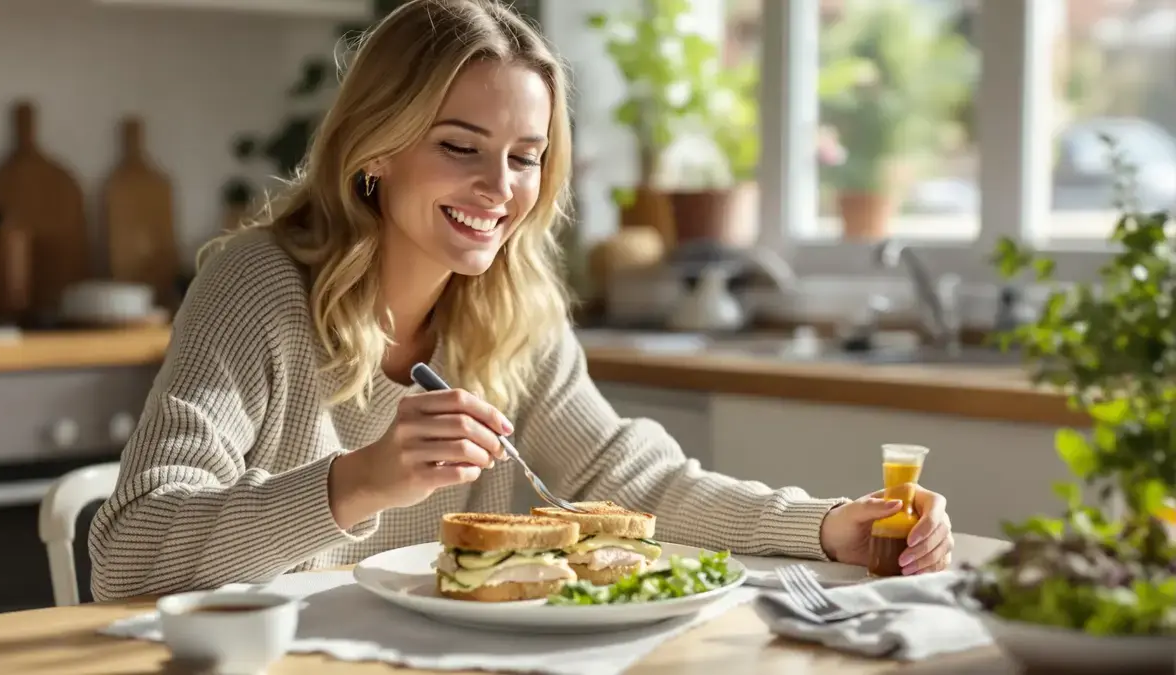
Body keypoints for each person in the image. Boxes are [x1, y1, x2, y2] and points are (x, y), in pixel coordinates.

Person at [88, 0, 954, 601]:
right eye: (461, 146)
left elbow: (632, 481)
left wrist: (830, 525)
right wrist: (357, 482)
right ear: (375, 149)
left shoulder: (513, 306)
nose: (498, 188)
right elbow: (127, 552)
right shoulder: (259, 286)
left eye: (525, 155)